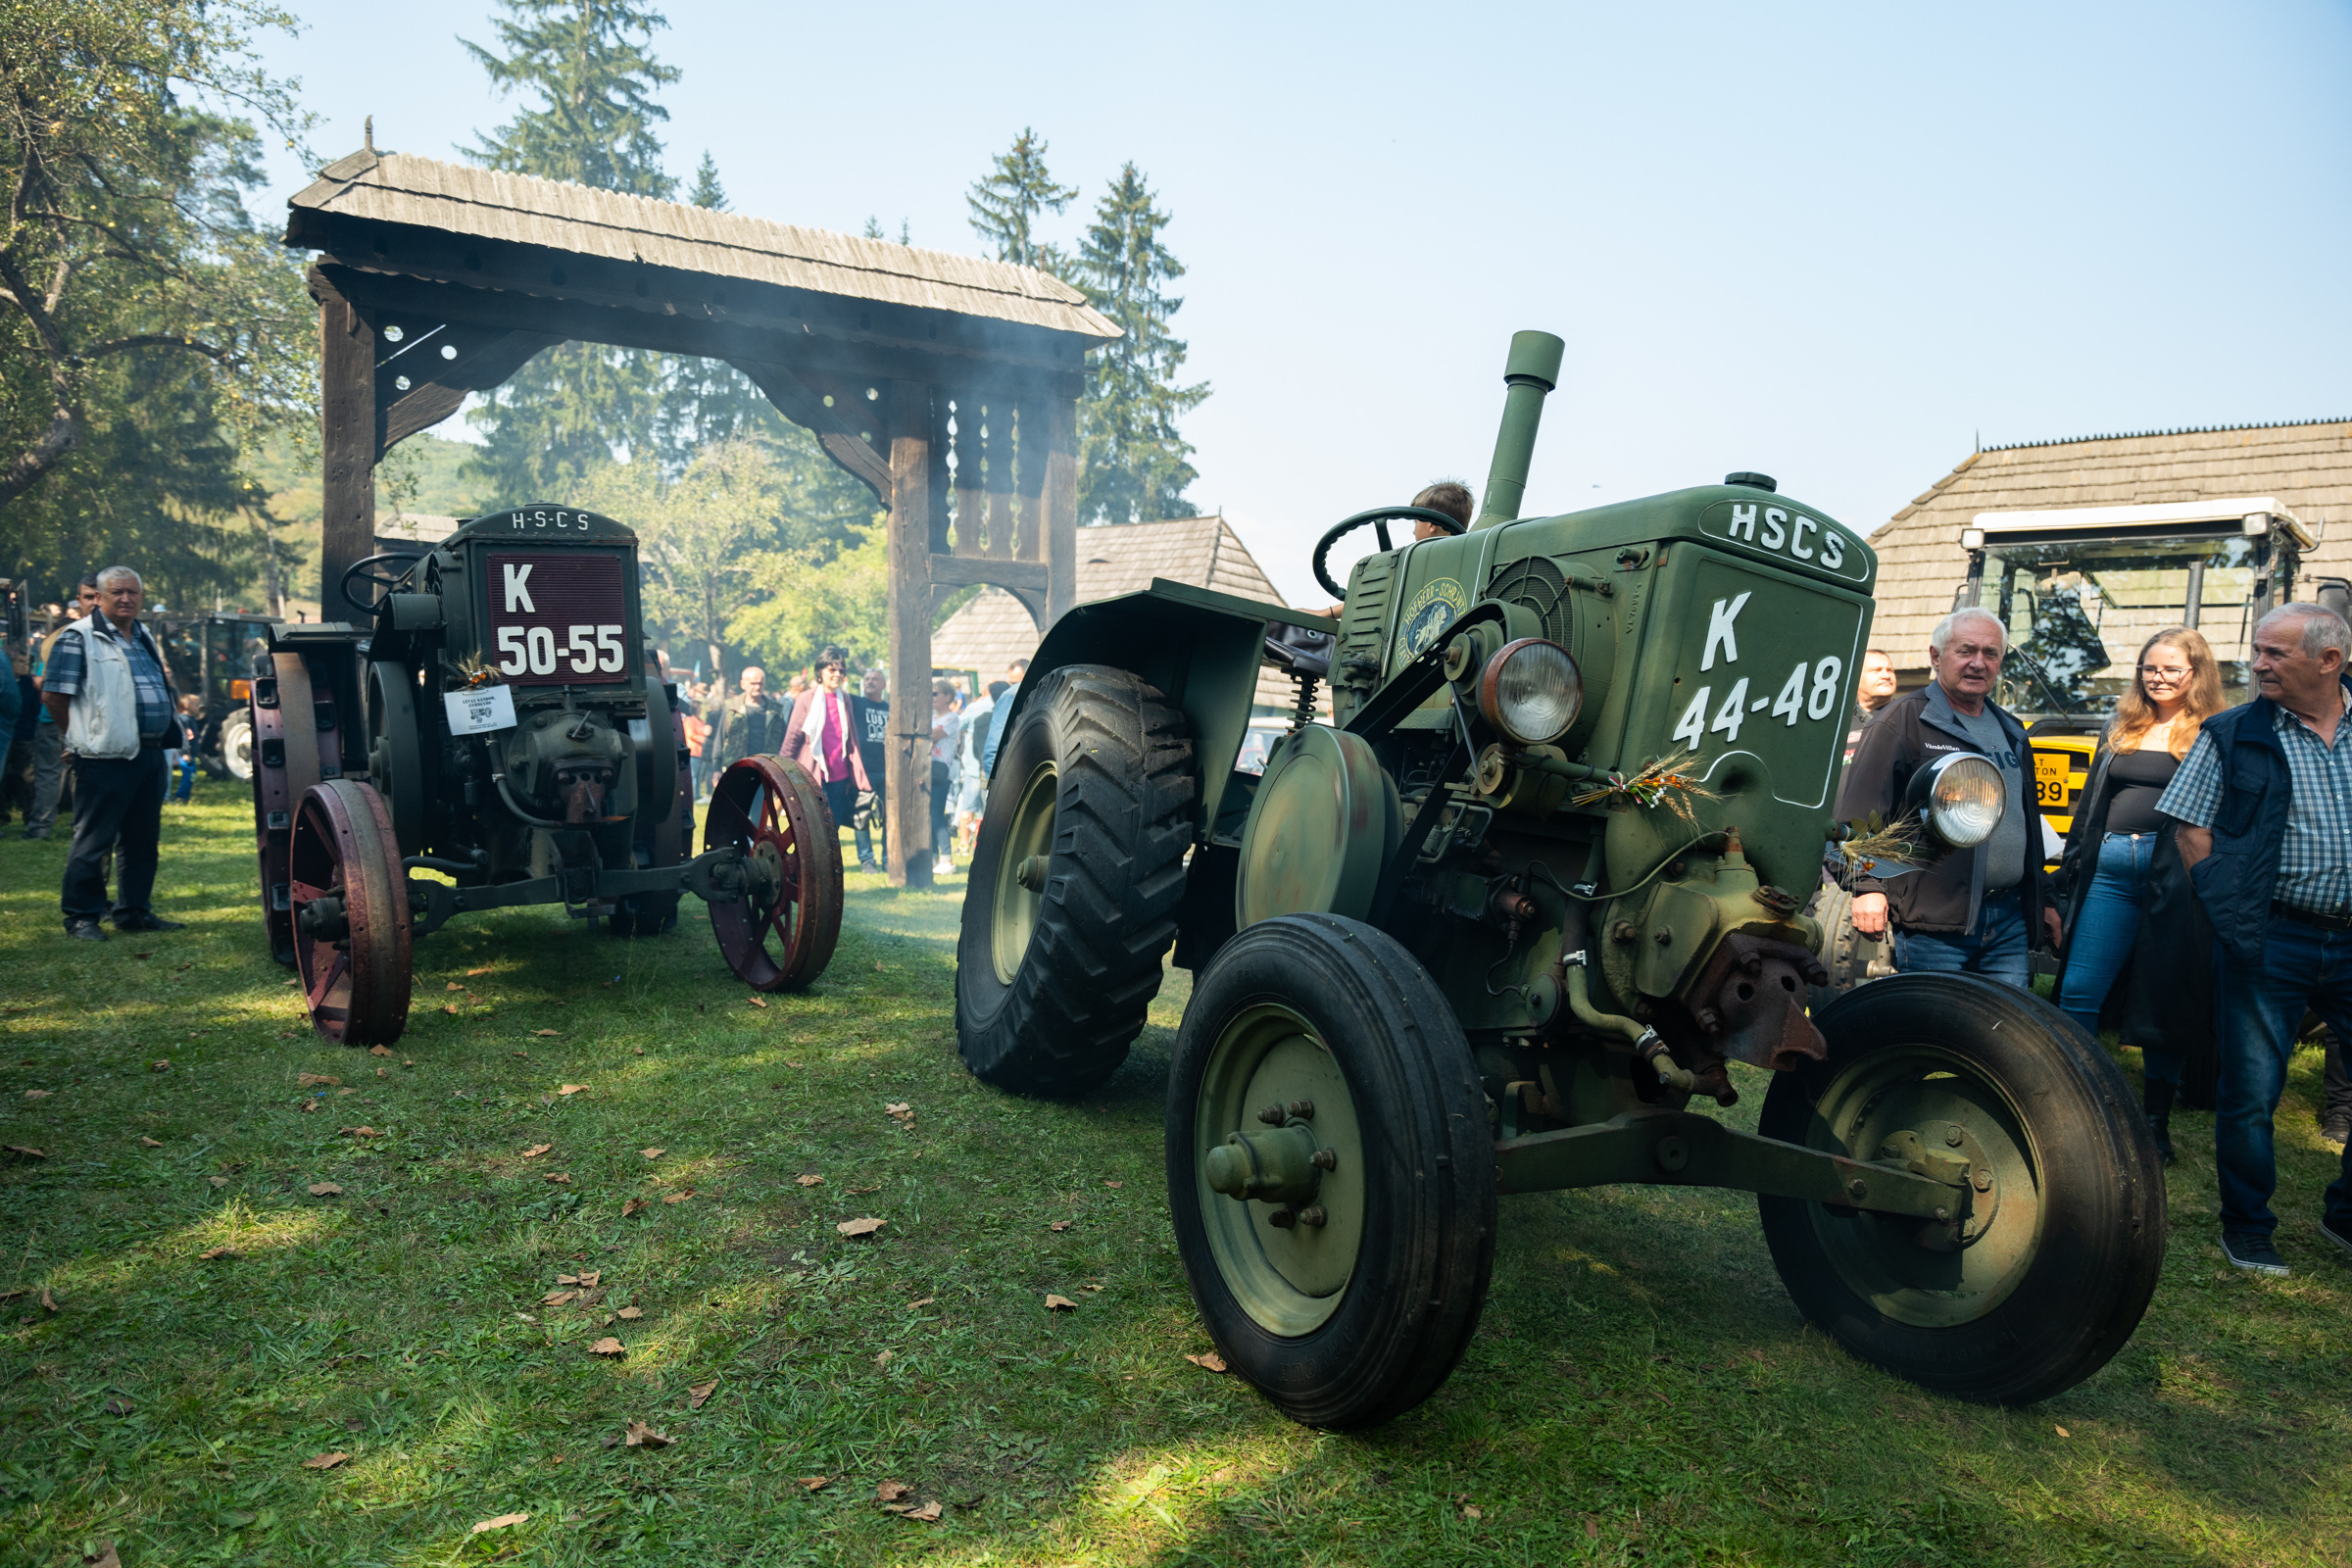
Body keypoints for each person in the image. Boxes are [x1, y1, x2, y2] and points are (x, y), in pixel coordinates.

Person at [2158, 602, 2352, 1277]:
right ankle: (2247, 1228)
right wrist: (2228, 906)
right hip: (2271, 938)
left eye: (2276, 654)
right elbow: (2189, 828)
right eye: (2258, 651)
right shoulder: (2231, 732)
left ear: (2330, 660)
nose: (2257, 664)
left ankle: (2345, 1217)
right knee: (2251, 1094)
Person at [2051, 627, 2225, 1161]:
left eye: (2173, 669)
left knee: (2164, 997)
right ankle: (2083, 1101)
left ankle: (2155, 1122)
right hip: (2109, 870)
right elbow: (2089, 808)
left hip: (2174, 873)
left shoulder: (2214, 732)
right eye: (2150, 668)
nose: (2159, 678)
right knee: (2079, 989)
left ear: (2196, 673)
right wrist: (2065, 874)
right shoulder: (2122, 725)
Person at [1838, 608, 2058, 985]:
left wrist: (2045, 899)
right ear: (1936, 656)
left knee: (2001, 1034)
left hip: (2007, 918)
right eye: (1966, 650)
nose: (1978, 663)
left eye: (1990, 654)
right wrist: (1866, 886)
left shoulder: (2011, 730)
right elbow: (1859, 815)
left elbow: (2026, 825)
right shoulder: (1902, 721)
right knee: (1932, 1032)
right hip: (1935, 922)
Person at [40, 566, 181, 940]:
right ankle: (82, 917)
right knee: (93, 841)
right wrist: (78, 738)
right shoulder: (78, 637)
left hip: (149, 753)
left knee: (141, 840)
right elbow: (54, 696)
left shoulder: (143, 634)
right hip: (104, 757)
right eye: (117, 592)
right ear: (98, 598)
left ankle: (134, 912)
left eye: (132, 592)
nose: (126, 599)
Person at [1319, 481, 1478, 616]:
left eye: (1415, 522)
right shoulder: (1465, 564)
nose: (1414, 530)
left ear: (1431, 526)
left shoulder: (1421, 562)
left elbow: (1380, 597)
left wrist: (1327, 613)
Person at [24, 577, 100, 839]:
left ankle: (42, 827)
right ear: (79, 601)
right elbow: (43, 685)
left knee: (52, 774)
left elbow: (39, 681)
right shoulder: (68, 638)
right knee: (77, 773)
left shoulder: (60, 638)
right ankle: (80, 826)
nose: (94, 602)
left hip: (64, 719)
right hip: (61, 718)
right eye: (88, 597)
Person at [782, 646, 873, 848]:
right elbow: (792, 737)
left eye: (841, 671)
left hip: (839, 775)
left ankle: (827, 873)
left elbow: (852, 739)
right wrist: (782, 772)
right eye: (832, 670)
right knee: (812, 827)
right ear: (820, 672)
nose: (837, 675)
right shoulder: (807, 698)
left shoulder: (845, 699)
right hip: (812, 773)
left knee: (834, 826)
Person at [704, 666, 784, 774]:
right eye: (753, 683)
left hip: (766, 770)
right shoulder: (732, 708)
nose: (757, 687)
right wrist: (716, 768)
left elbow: (783, 740)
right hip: (736, 768)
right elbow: (720, 738)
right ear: (743, 684)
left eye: (760, 683)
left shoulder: (775, 711)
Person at [849, 665, 890, 872]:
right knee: (862, 816)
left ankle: (888, 859)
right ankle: (867, 860)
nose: (870, 682)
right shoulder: (856, 703)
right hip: (864, 771)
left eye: (875, 679)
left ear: (884, 684)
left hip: (888, 772)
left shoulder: (890, 708)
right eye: (867, 679)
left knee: (889, 818)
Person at [1844, 648, 1898, 763]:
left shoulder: (1907, 716)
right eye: (1876, 670)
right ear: (1856, 678)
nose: (1886, 676)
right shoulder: (1840, 724)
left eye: (1890, 670)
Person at [979, 658, 1029, 778]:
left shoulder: (1010, 695)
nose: (1014, 687)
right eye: (1012, 684)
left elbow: (993, 749)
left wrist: (993, 783)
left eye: (1017, 683)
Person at [930, 680, 960, 876]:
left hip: (941, 770)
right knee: (927, 816)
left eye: (935, 694)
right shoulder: (931, 716)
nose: (931, 697)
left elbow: (931, 736)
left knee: (936, 815)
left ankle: (947, 858)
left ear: (947, 697)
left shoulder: (952, 718)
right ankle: (933, 856)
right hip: (928, 768)